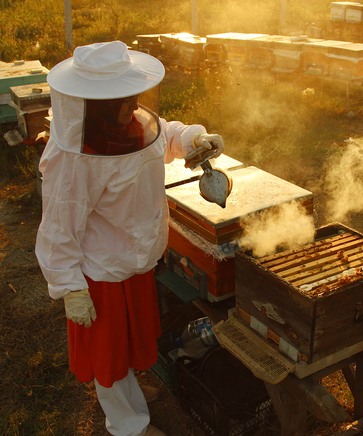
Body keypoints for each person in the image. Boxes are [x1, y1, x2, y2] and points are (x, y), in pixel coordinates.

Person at [35, 41, 224, 436]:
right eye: (122, 100)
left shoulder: (131, 123)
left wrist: (193, 140)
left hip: (134, 258)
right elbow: (58, 227)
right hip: (99, 270)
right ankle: (127, 423)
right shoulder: (73, 159)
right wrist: (70, 287)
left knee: (128, 338)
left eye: (132, 96)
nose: (133, 104)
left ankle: (130, 390)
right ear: (98, 105)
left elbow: (164, 135)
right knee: (107, 349)